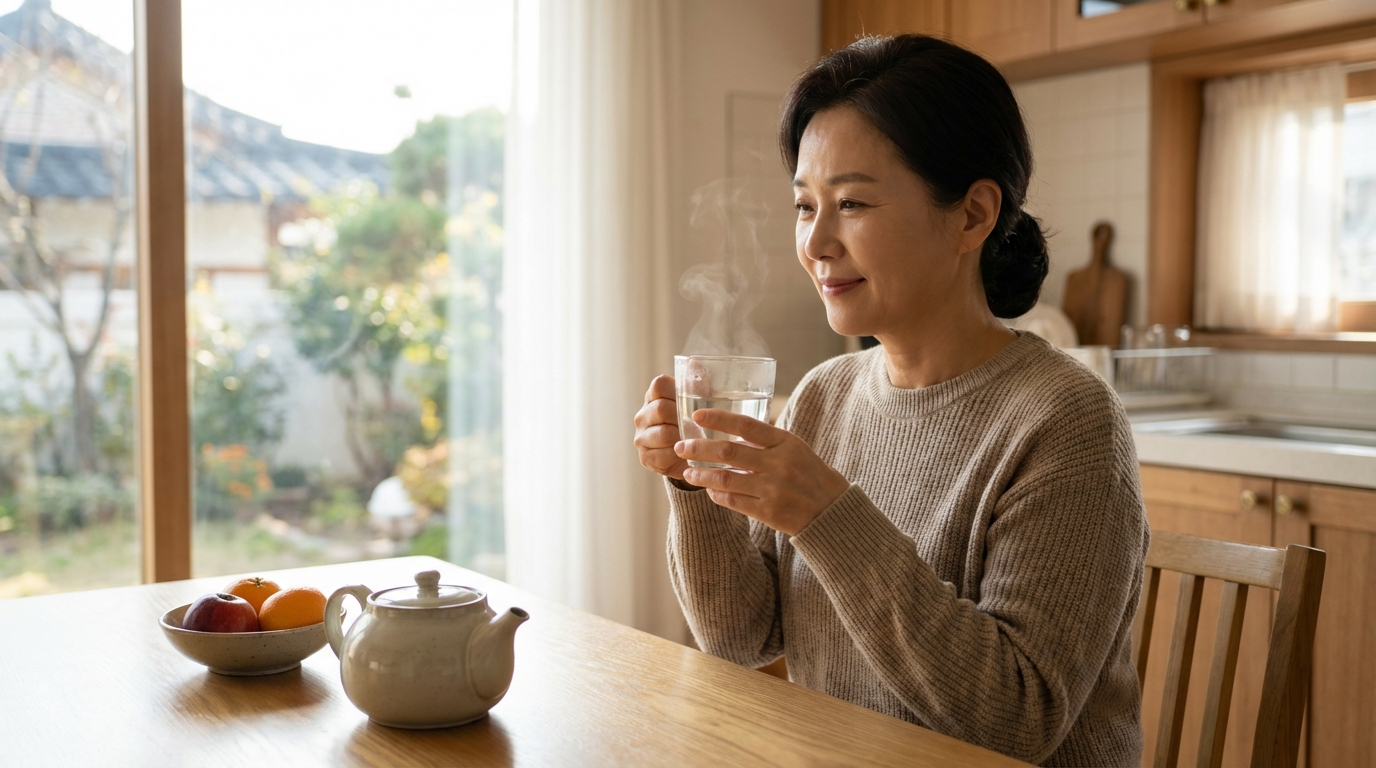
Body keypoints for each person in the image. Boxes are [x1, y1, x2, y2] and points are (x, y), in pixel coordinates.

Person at [632, 34, 1148, 766]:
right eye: (805, 207)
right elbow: (744, 639)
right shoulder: (824, 395)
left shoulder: (1067, 422)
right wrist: (692, 483)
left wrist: (827, 515)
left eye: (850, 203)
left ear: (972, 215)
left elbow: (1016, 722)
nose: (816, 243)